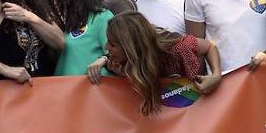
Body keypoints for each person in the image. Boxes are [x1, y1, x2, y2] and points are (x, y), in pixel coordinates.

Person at [87, 10, 222, 114]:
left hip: (193, 113)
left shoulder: (178, 48)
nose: (106, 47)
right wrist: (103, 60)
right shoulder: (125, 59)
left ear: (130, 47)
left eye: (112, 44)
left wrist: (216, 75)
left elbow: (210, 46)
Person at [52, 0, 113, 76]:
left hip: (89, 91)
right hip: (61, 90)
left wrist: (103, 60)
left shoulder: (102, 18)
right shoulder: (66, 20)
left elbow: (117, 58)